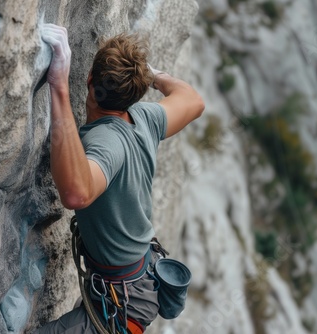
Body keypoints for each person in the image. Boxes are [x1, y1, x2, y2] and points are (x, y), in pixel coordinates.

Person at [35, 23, 204, 334]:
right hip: (136, 283)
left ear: (89, 81)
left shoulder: (106, 142)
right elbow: (192, 100)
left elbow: (76, 193)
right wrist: (152, 76)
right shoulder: (146, 118)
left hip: (123, 300)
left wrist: (58, 85)